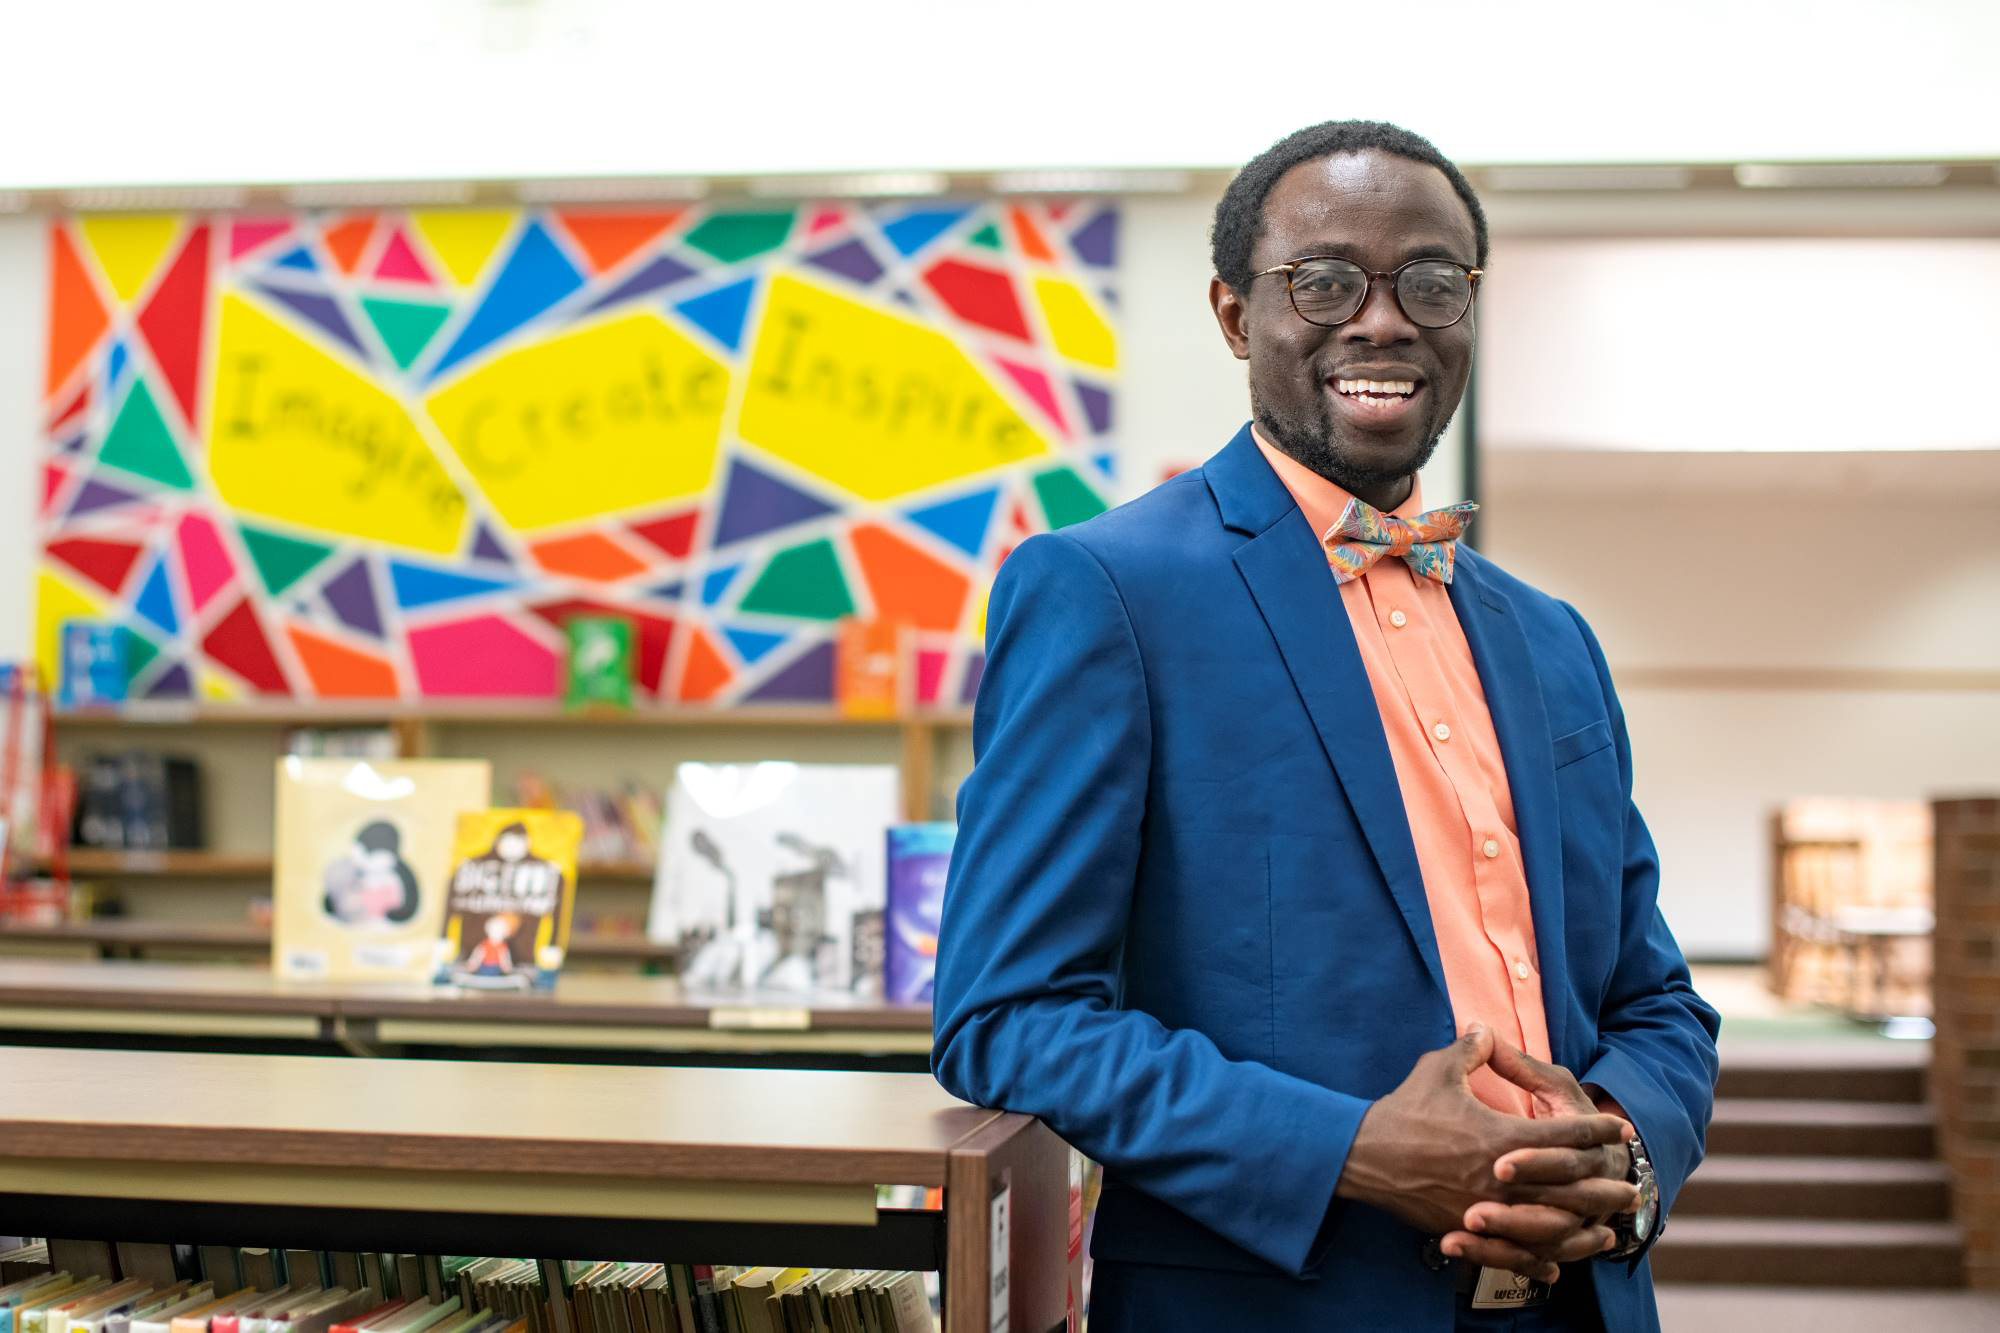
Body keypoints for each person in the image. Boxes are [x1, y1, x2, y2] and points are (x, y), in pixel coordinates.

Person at [931, 120, 1720, 1331]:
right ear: (1237, 316)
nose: (1383, 319)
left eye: (1431, 281)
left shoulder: (1550, 638)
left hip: (1581, 1300)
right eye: (1325, 280)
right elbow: (1008, 1017)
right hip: (1277, 1300)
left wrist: (1618, 1149)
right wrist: (1352, 1147)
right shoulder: (1106, 594)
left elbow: (1655, 1002)